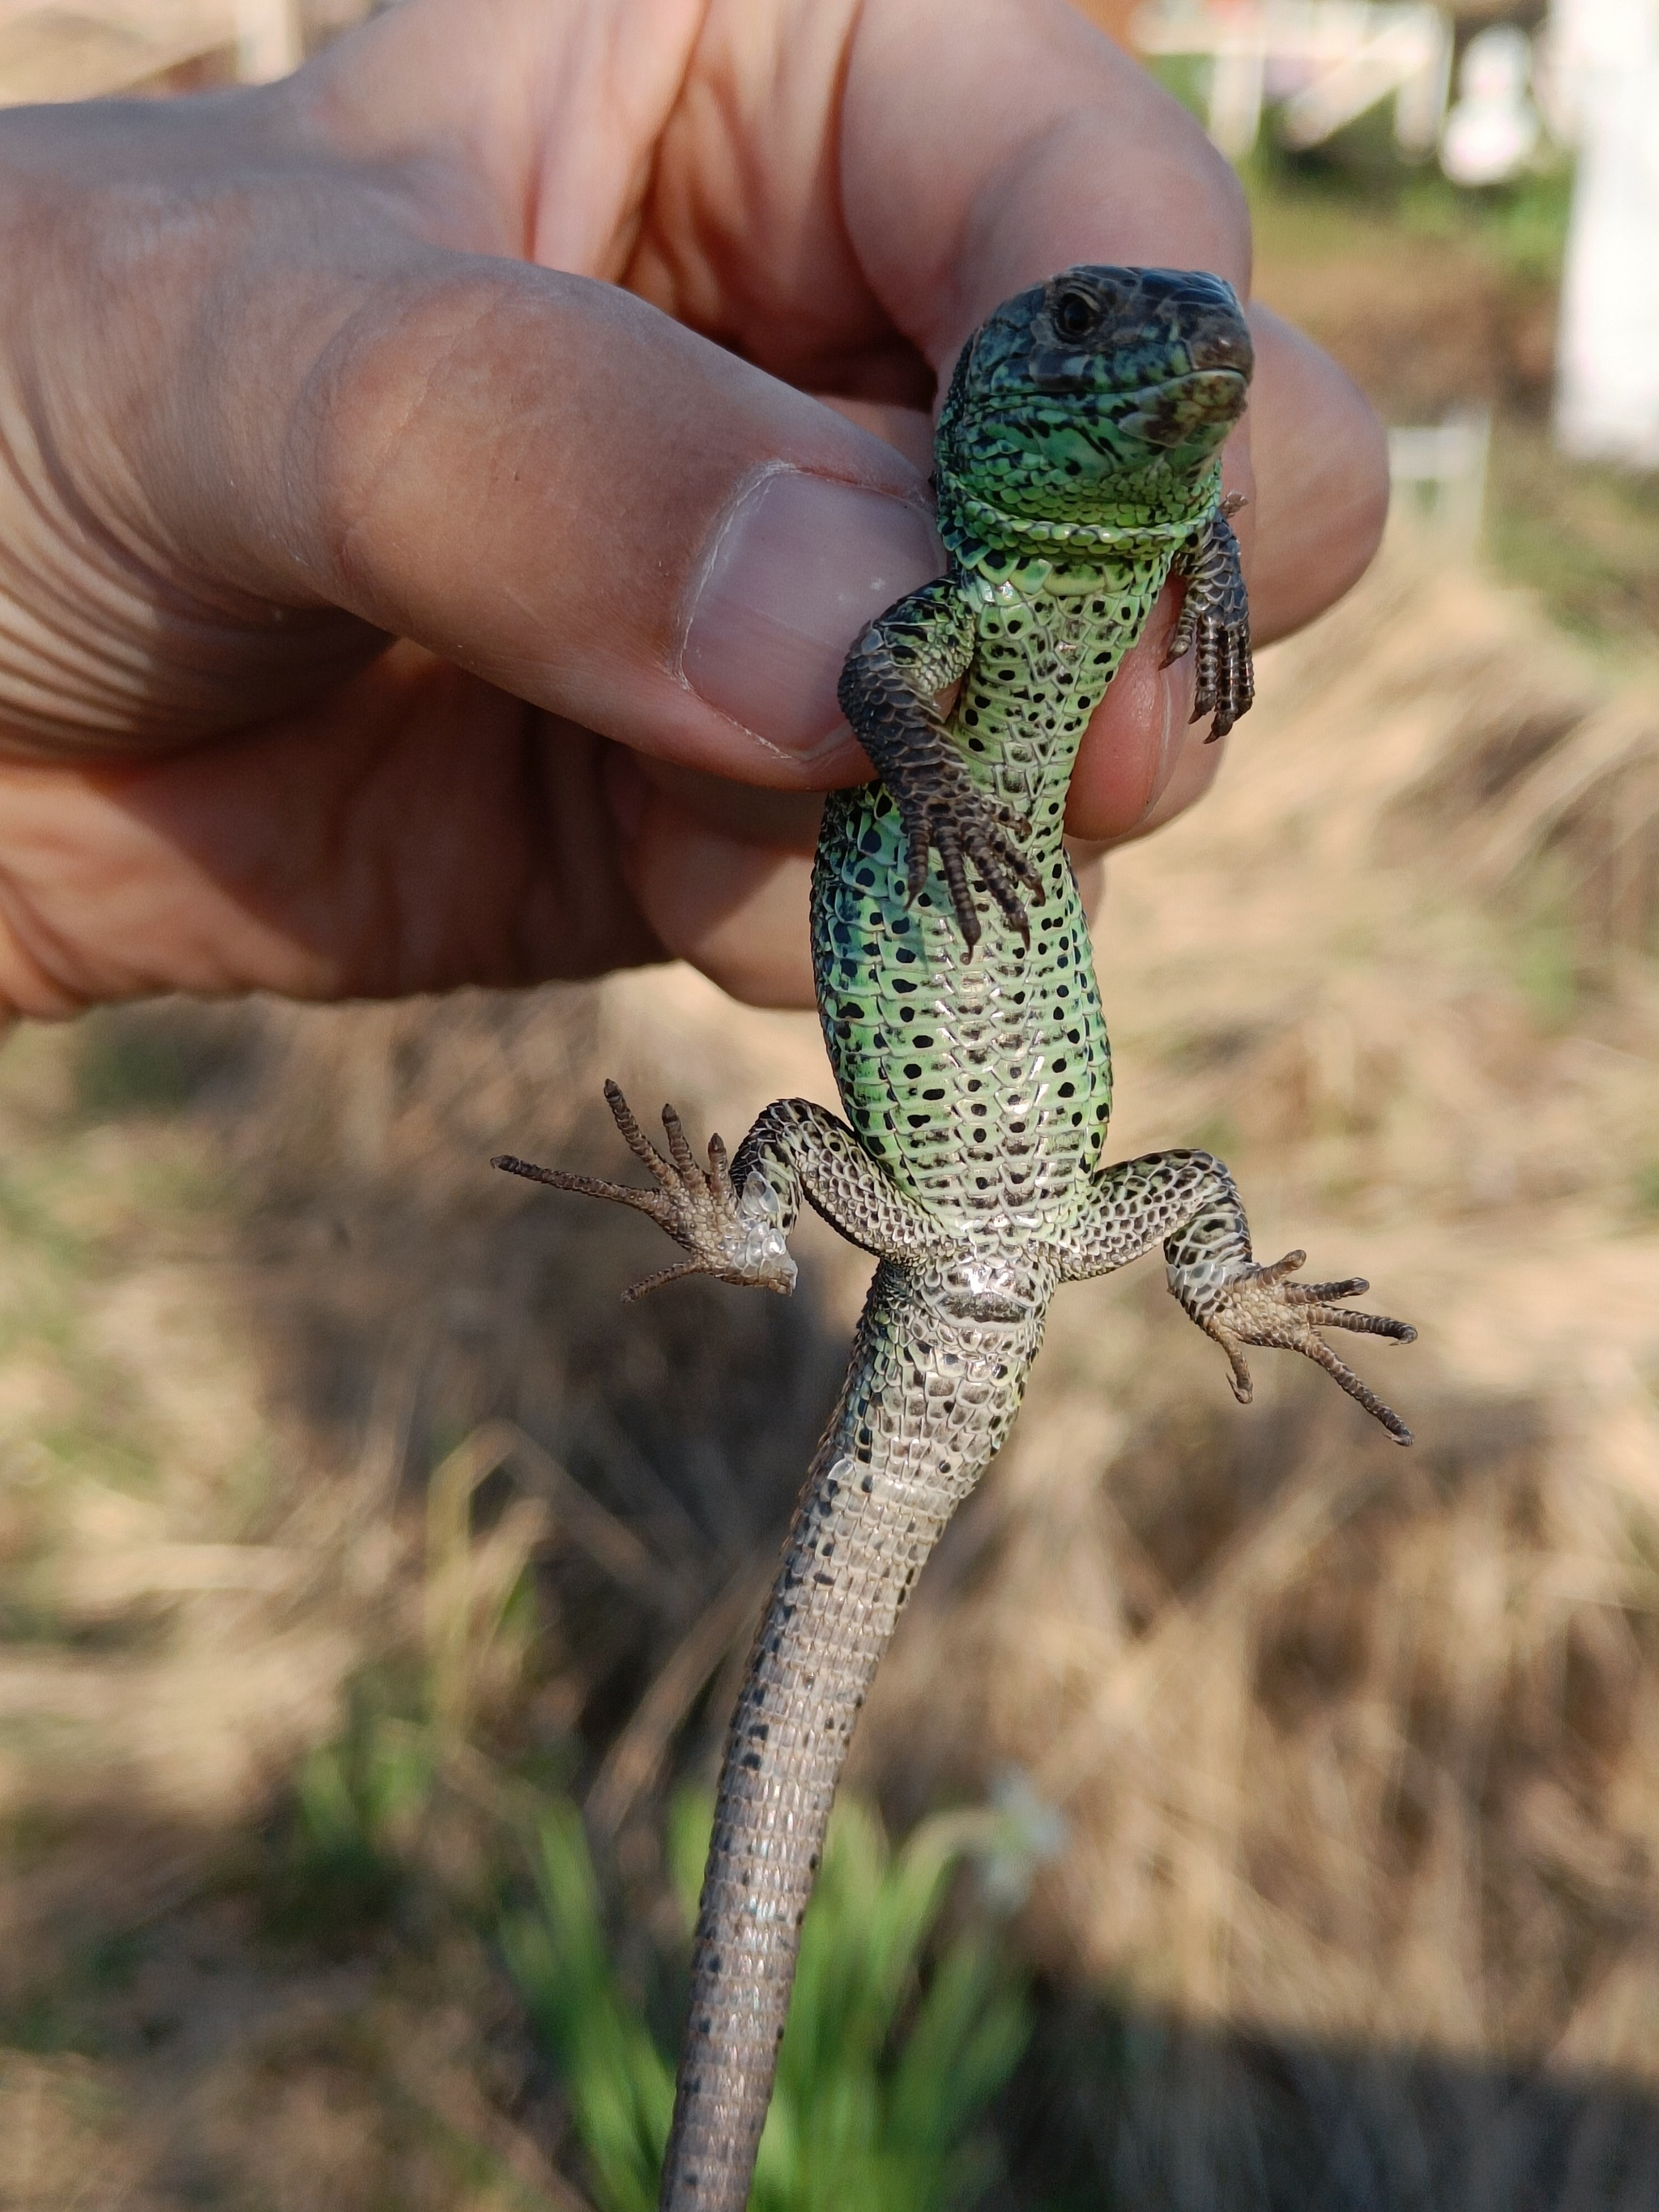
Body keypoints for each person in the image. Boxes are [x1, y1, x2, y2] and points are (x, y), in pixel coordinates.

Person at [0, 0, 1386, 1021]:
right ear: (1003, 373)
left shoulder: (1159, 499)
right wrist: (951, 803)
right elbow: (881, 680)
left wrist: (1208, 567)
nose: (1184, 339)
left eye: (1213, 344)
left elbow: (1194, 510)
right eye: (1082, 316)